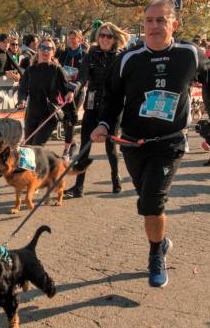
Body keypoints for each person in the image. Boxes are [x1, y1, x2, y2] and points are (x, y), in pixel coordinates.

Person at [91, 0, 210, 288]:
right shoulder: (129, 59)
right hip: (133, 142)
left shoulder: (189, 54)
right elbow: (112, 97)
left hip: (169, 142)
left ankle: (155, 256)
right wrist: (103, 124)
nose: (154, 26)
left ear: (173, 24)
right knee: (147, 201)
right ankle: (161, 241)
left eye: (161, 20)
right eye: (149, 21)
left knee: (152, 200)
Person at [63, 22, 128, 198]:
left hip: (112, 108)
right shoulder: (91, 54)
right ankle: (79, 186)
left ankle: (115, 178)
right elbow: (82, 77)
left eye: (109, 36)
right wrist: (73, 89)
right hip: (92, 105)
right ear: (98, 37)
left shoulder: (121, 57)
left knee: (110, 148)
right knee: (85, 146)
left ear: (115, 39)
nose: (105, 39)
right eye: (102, 35)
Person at [16, 37, 72, 146]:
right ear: (38, 50)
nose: (45, 50)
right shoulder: (30, 70)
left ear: (53, 52)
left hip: (49, 114)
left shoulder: (56, 69)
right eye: (43, 47)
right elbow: (22, 89)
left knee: (37, 146)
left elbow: (67, 92)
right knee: (28, 147)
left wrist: (72, 117)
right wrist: (21, 100)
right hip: (31, 114)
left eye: (49, 48)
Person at [57, 29, 86, 160]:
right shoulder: (63, 54)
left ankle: (66, 151)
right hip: (63, 92)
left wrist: (75, 84)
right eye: (70, 38)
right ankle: (72, 143)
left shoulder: (84, 55)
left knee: (70, 119)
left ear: (80, 39)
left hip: (78, 92)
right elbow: (58, 71)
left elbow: (85, 76)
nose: (72, 41)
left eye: (74, 38)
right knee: (64, 119)